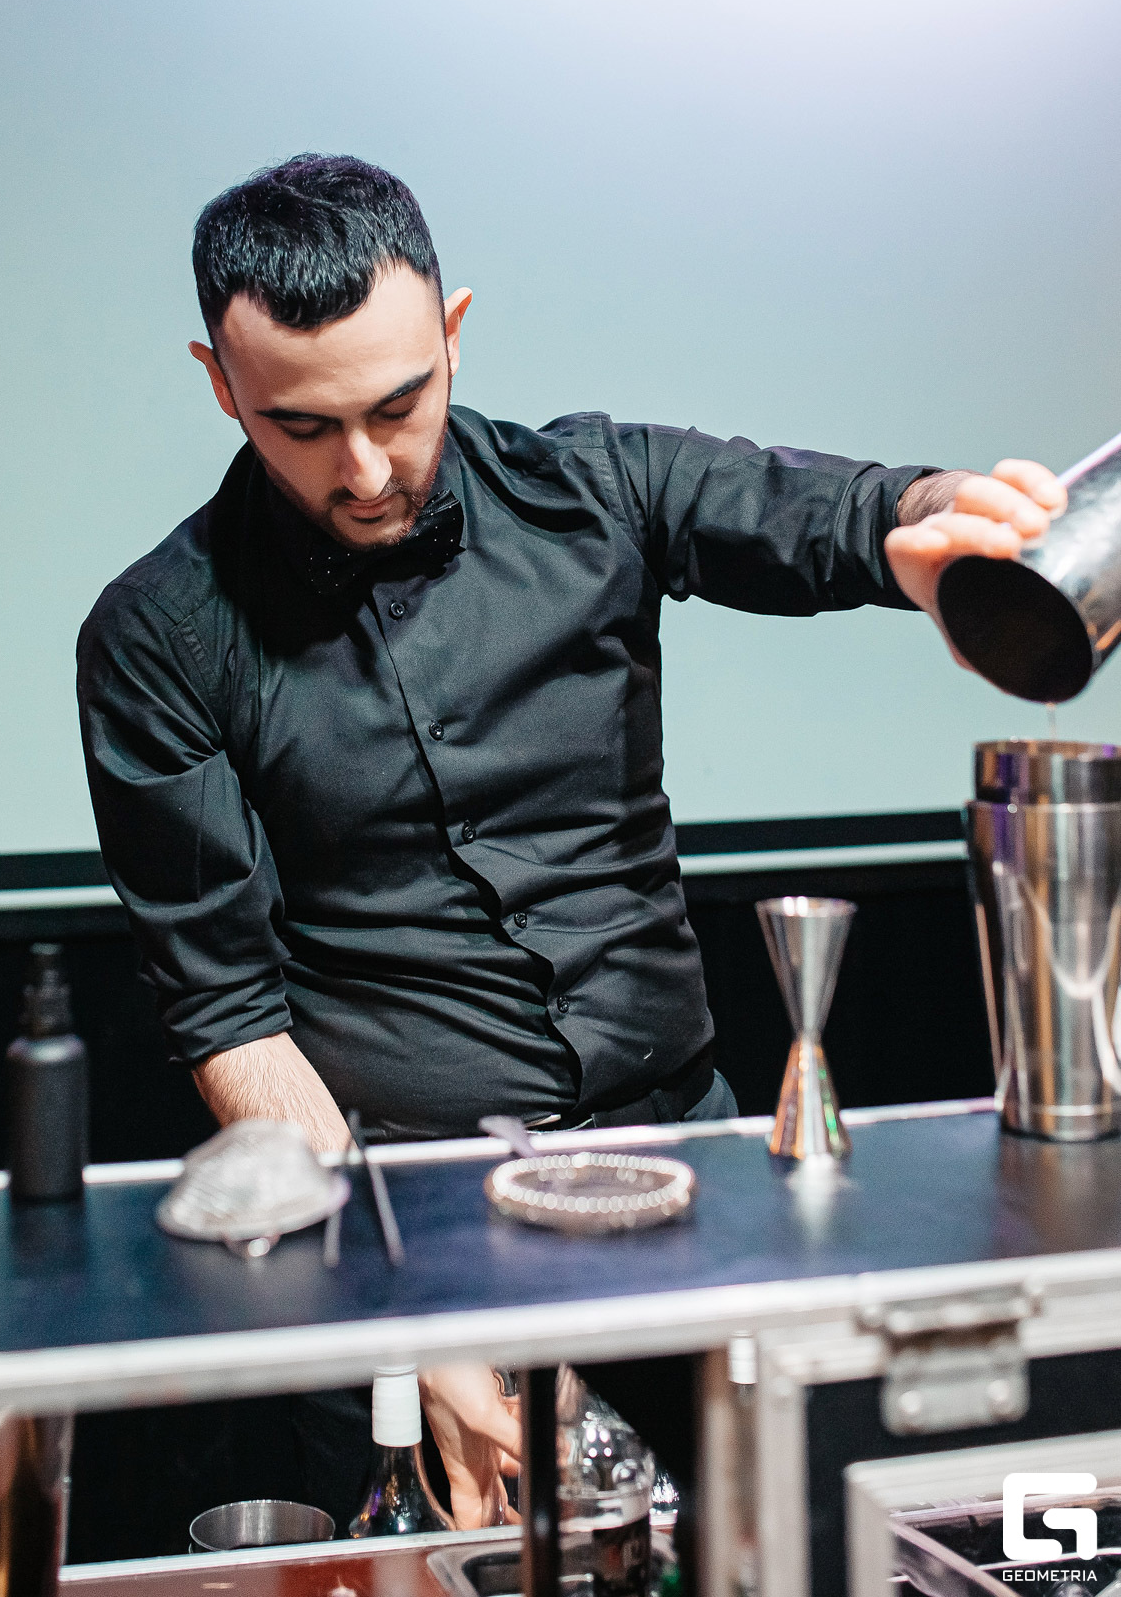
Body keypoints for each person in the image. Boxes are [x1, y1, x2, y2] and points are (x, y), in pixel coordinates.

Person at [76, 153, 1067, 1526]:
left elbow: (836, 514)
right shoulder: (159, 636)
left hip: (692, 1179)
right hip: (401, 1215)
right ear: (220, 384)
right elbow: (231, 1019)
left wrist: (943, 523)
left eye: (399, 405)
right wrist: (401, 1318)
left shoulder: (599, 485)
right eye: (301, 426)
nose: (365, 469)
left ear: (454, 333)